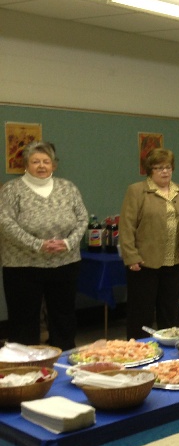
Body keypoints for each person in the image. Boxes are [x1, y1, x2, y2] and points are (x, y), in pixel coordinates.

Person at [0, 141, 88, 350]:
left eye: (46, 161)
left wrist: (68, 243)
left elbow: (82, 218)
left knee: (64, 317)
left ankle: (64, 360)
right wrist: (37, 244)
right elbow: (5, 222)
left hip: (65, 263)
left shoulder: (68, 187)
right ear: (26, 165)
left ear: (53, 165)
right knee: (23, 319)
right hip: (22, 265)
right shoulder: (12, 189)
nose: (41, 166)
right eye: (35, 161)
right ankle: (25, 368)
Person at [119, 148, 179, 340]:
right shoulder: (137, 191)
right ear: (150, 170)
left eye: (167, 167)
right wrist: (131, 256)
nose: (164, 171)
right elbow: (126, 226)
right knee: (141, 311)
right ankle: (139, 349)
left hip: (174, 261)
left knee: (170, 310)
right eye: (158, 168)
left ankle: (169, 349)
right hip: (144, 262)